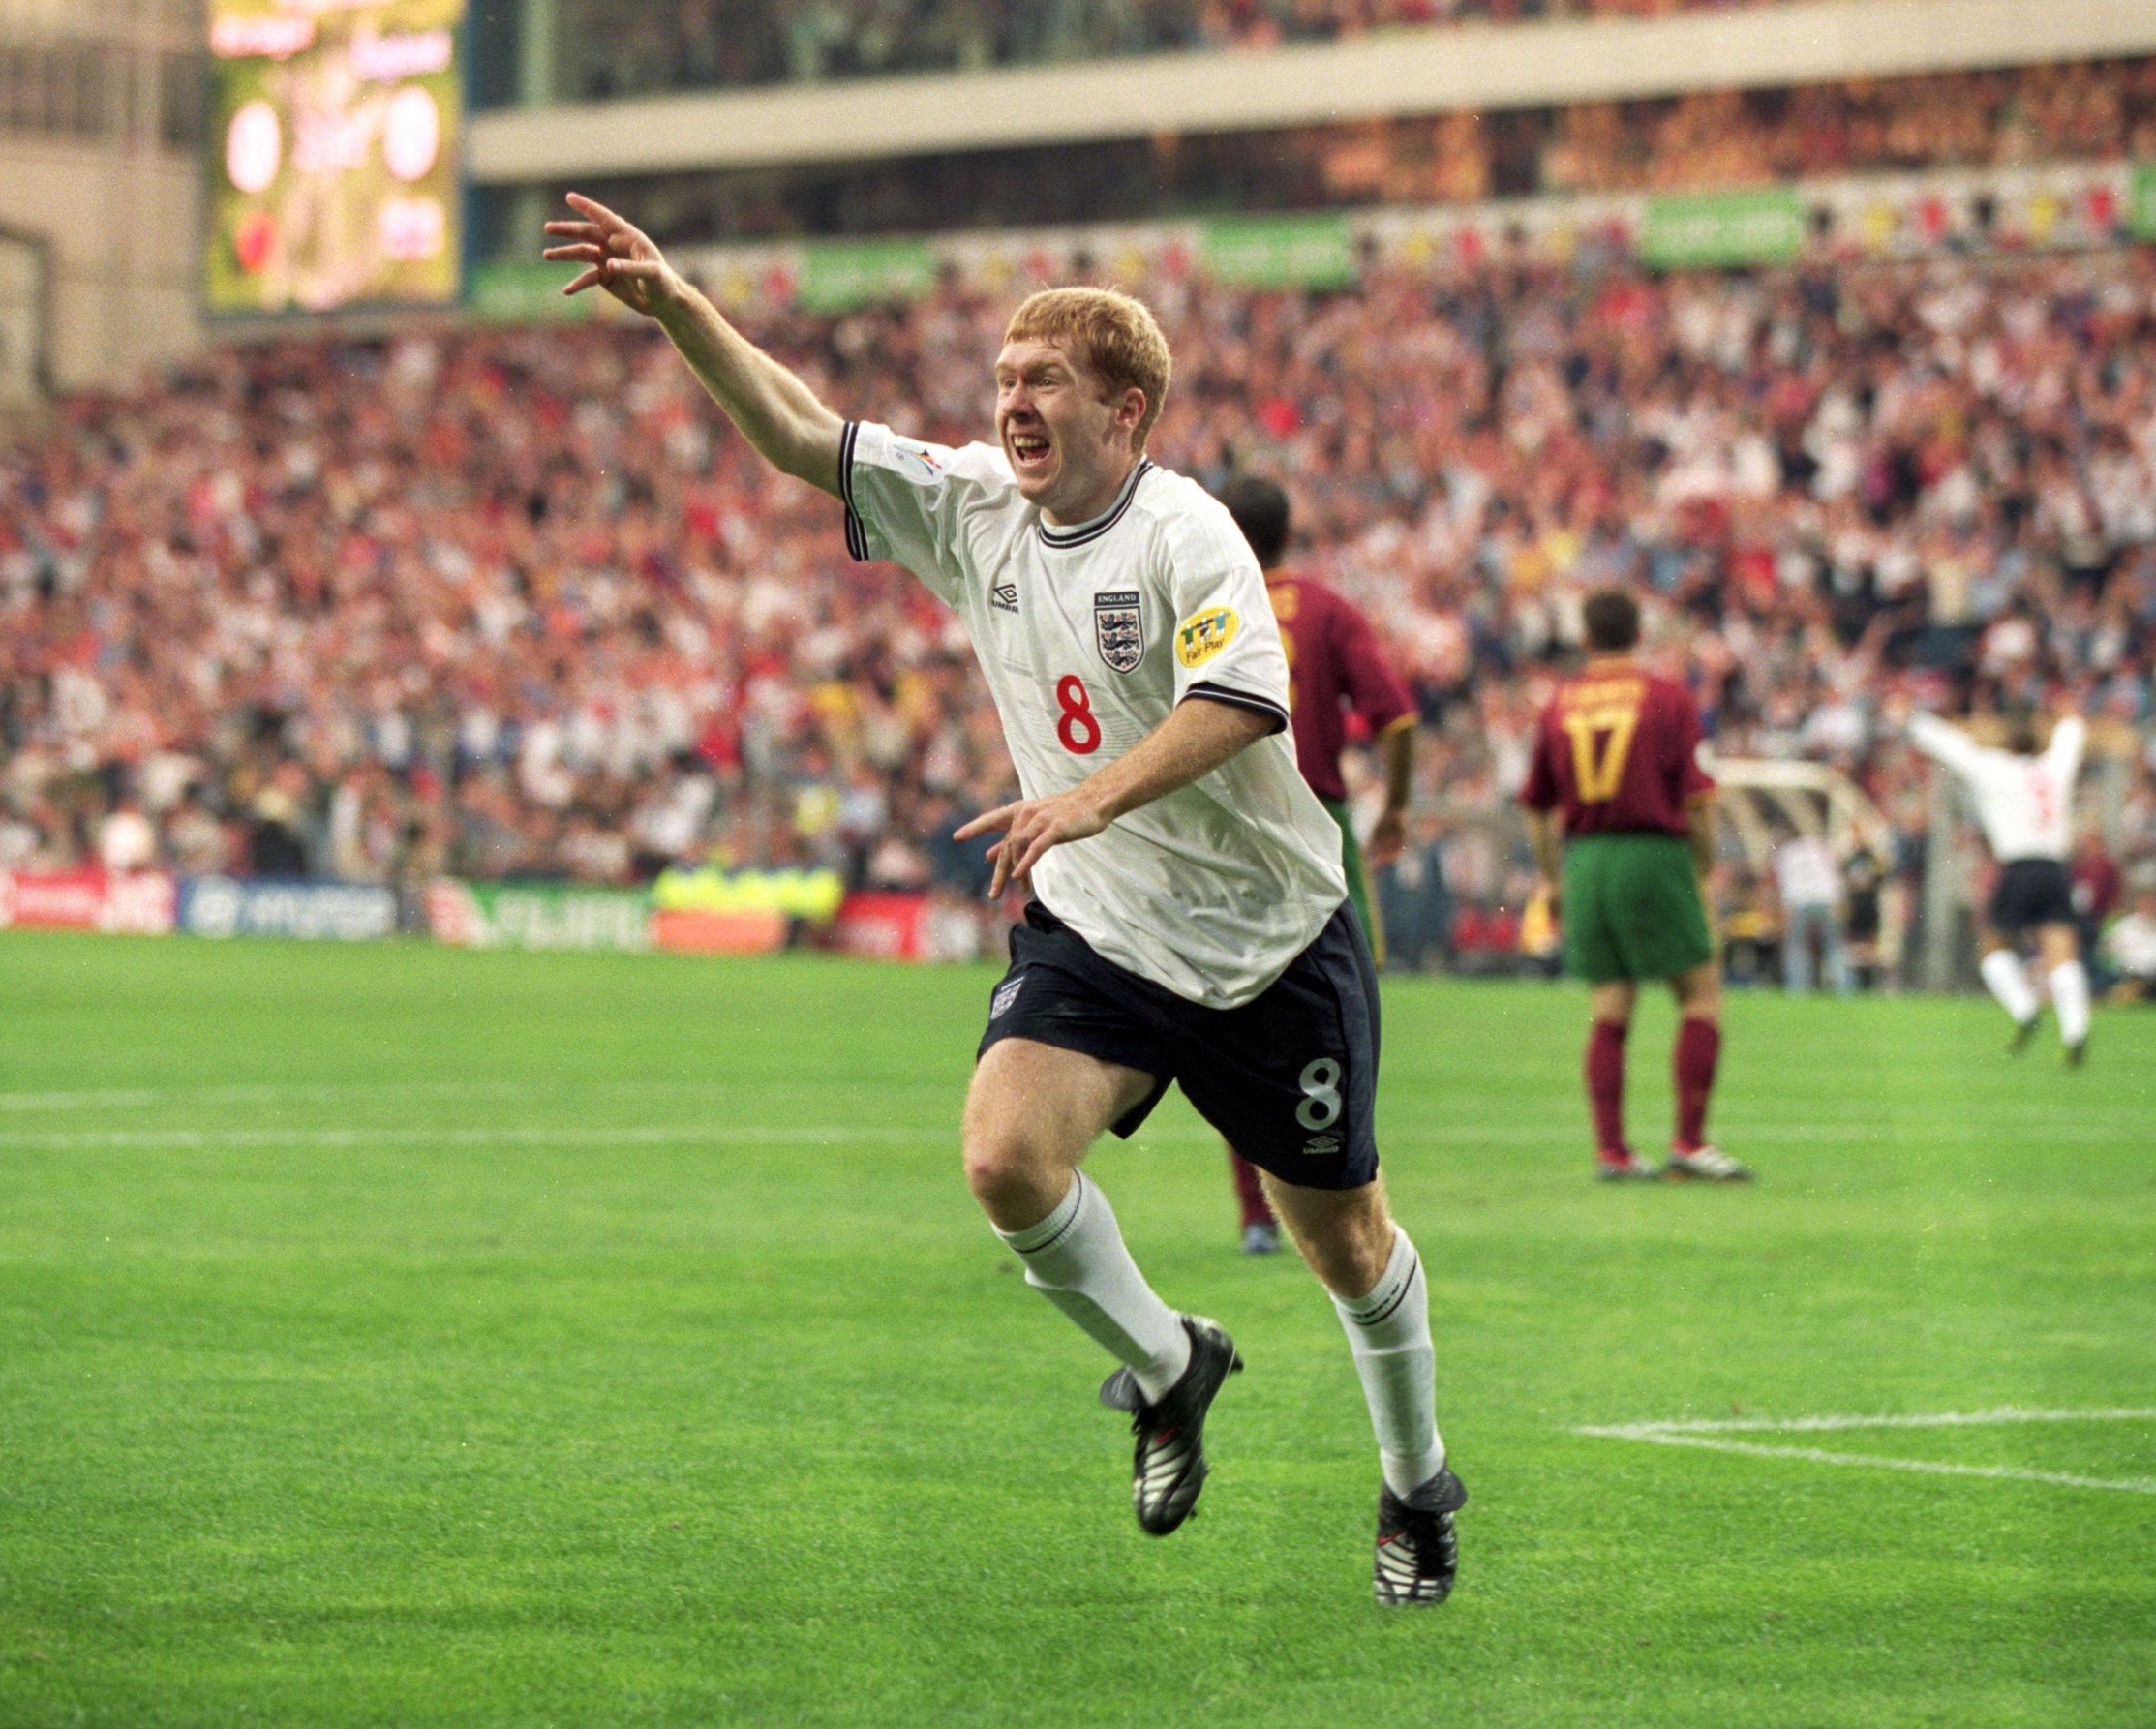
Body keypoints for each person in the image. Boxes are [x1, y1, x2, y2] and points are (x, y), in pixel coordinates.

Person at [544, 195, 1466, 1604]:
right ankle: (1171, 1366)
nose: (1012, 403)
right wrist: (677, 305)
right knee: (1004, 1161)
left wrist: (1086, 798)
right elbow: (800, 432)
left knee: (1345, 1243)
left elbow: (1239, 698)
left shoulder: (1189, 533)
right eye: (1003, 379)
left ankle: (1416, 1483)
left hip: (1269, 942)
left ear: (1126, 410)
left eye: (1044, 381)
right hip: (1101, 929)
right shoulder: (974, 503)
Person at [1213, 474, 1417, 1258]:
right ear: (1289, 532)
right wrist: (1394, 807)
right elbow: (1397, 718)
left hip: (1227, 824)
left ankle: (1257, 1214)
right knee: (1341, 1007)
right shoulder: (1328, 610)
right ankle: (1345, 1198)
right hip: (1315, 820)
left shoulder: (1203, 605)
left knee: (1235, 1012)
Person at [1518, 592, 1748, 1183]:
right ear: (1638, 634)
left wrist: (1552, 878)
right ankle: (1689, 1143)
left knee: (1609, 1006)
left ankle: (1613, 1152)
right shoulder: (1666, 697)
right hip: (1652, 852)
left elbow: (1537, 808)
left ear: (1586, 639)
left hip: (1586, 859)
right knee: (1700, 995)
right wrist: (1701, 866)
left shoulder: (1560, 702)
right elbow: (1698, 800)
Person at [1906, 703, 2091, 1064]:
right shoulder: (2053, 768)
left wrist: (1915, 721)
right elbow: (2071, 739)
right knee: (2061, 952)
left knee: (1993, 949)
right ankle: (2075, 1031)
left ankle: (2024, 1009)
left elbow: (1953, 748)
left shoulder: (1993, 767)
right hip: (2054, 869)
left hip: (2019, 867)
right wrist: (2071, 717)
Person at [1773, 830, 1849, 996]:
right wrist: (1840, 902)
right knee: (1834, 946)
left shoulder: (1786, 852)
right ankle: (1844, 988)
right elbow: (1835, 875)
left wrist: (1785, 908)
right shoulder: (1822, 846)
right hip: (1827, 899)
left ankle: (1797, 989)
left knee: (1796, 946)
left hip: (1799, 900)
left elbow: (1785, 881)